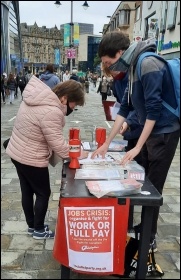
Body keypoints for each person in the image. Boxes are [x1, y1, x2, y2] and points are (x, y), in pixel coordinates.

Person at [91, 31, 180, 251]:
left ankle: (149, 237)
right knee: (142, 183)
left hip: (165, 132)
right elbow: (127, 107)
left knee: (153, 187)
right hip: (152, 132)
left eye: (109, 62)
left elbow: (153, 110)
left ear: (120, 53)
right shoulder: (131, 67)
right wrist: (106, 143)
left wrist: (138, 146)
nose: (109, 68)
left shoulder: (147, 63)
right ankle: (141, 228)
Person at [6, 77, 88, 239]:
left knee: (27, 191)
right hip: (31, 157)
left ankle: (32, 226)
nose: (73, 108)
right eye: (74, 104)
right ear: (64, 98)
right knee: (43, 192)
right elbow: (57, 143)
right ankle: (38, 230)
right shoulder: (52, 111)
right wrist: (78, 153)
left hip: (17, 152)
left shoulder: (36, 98)